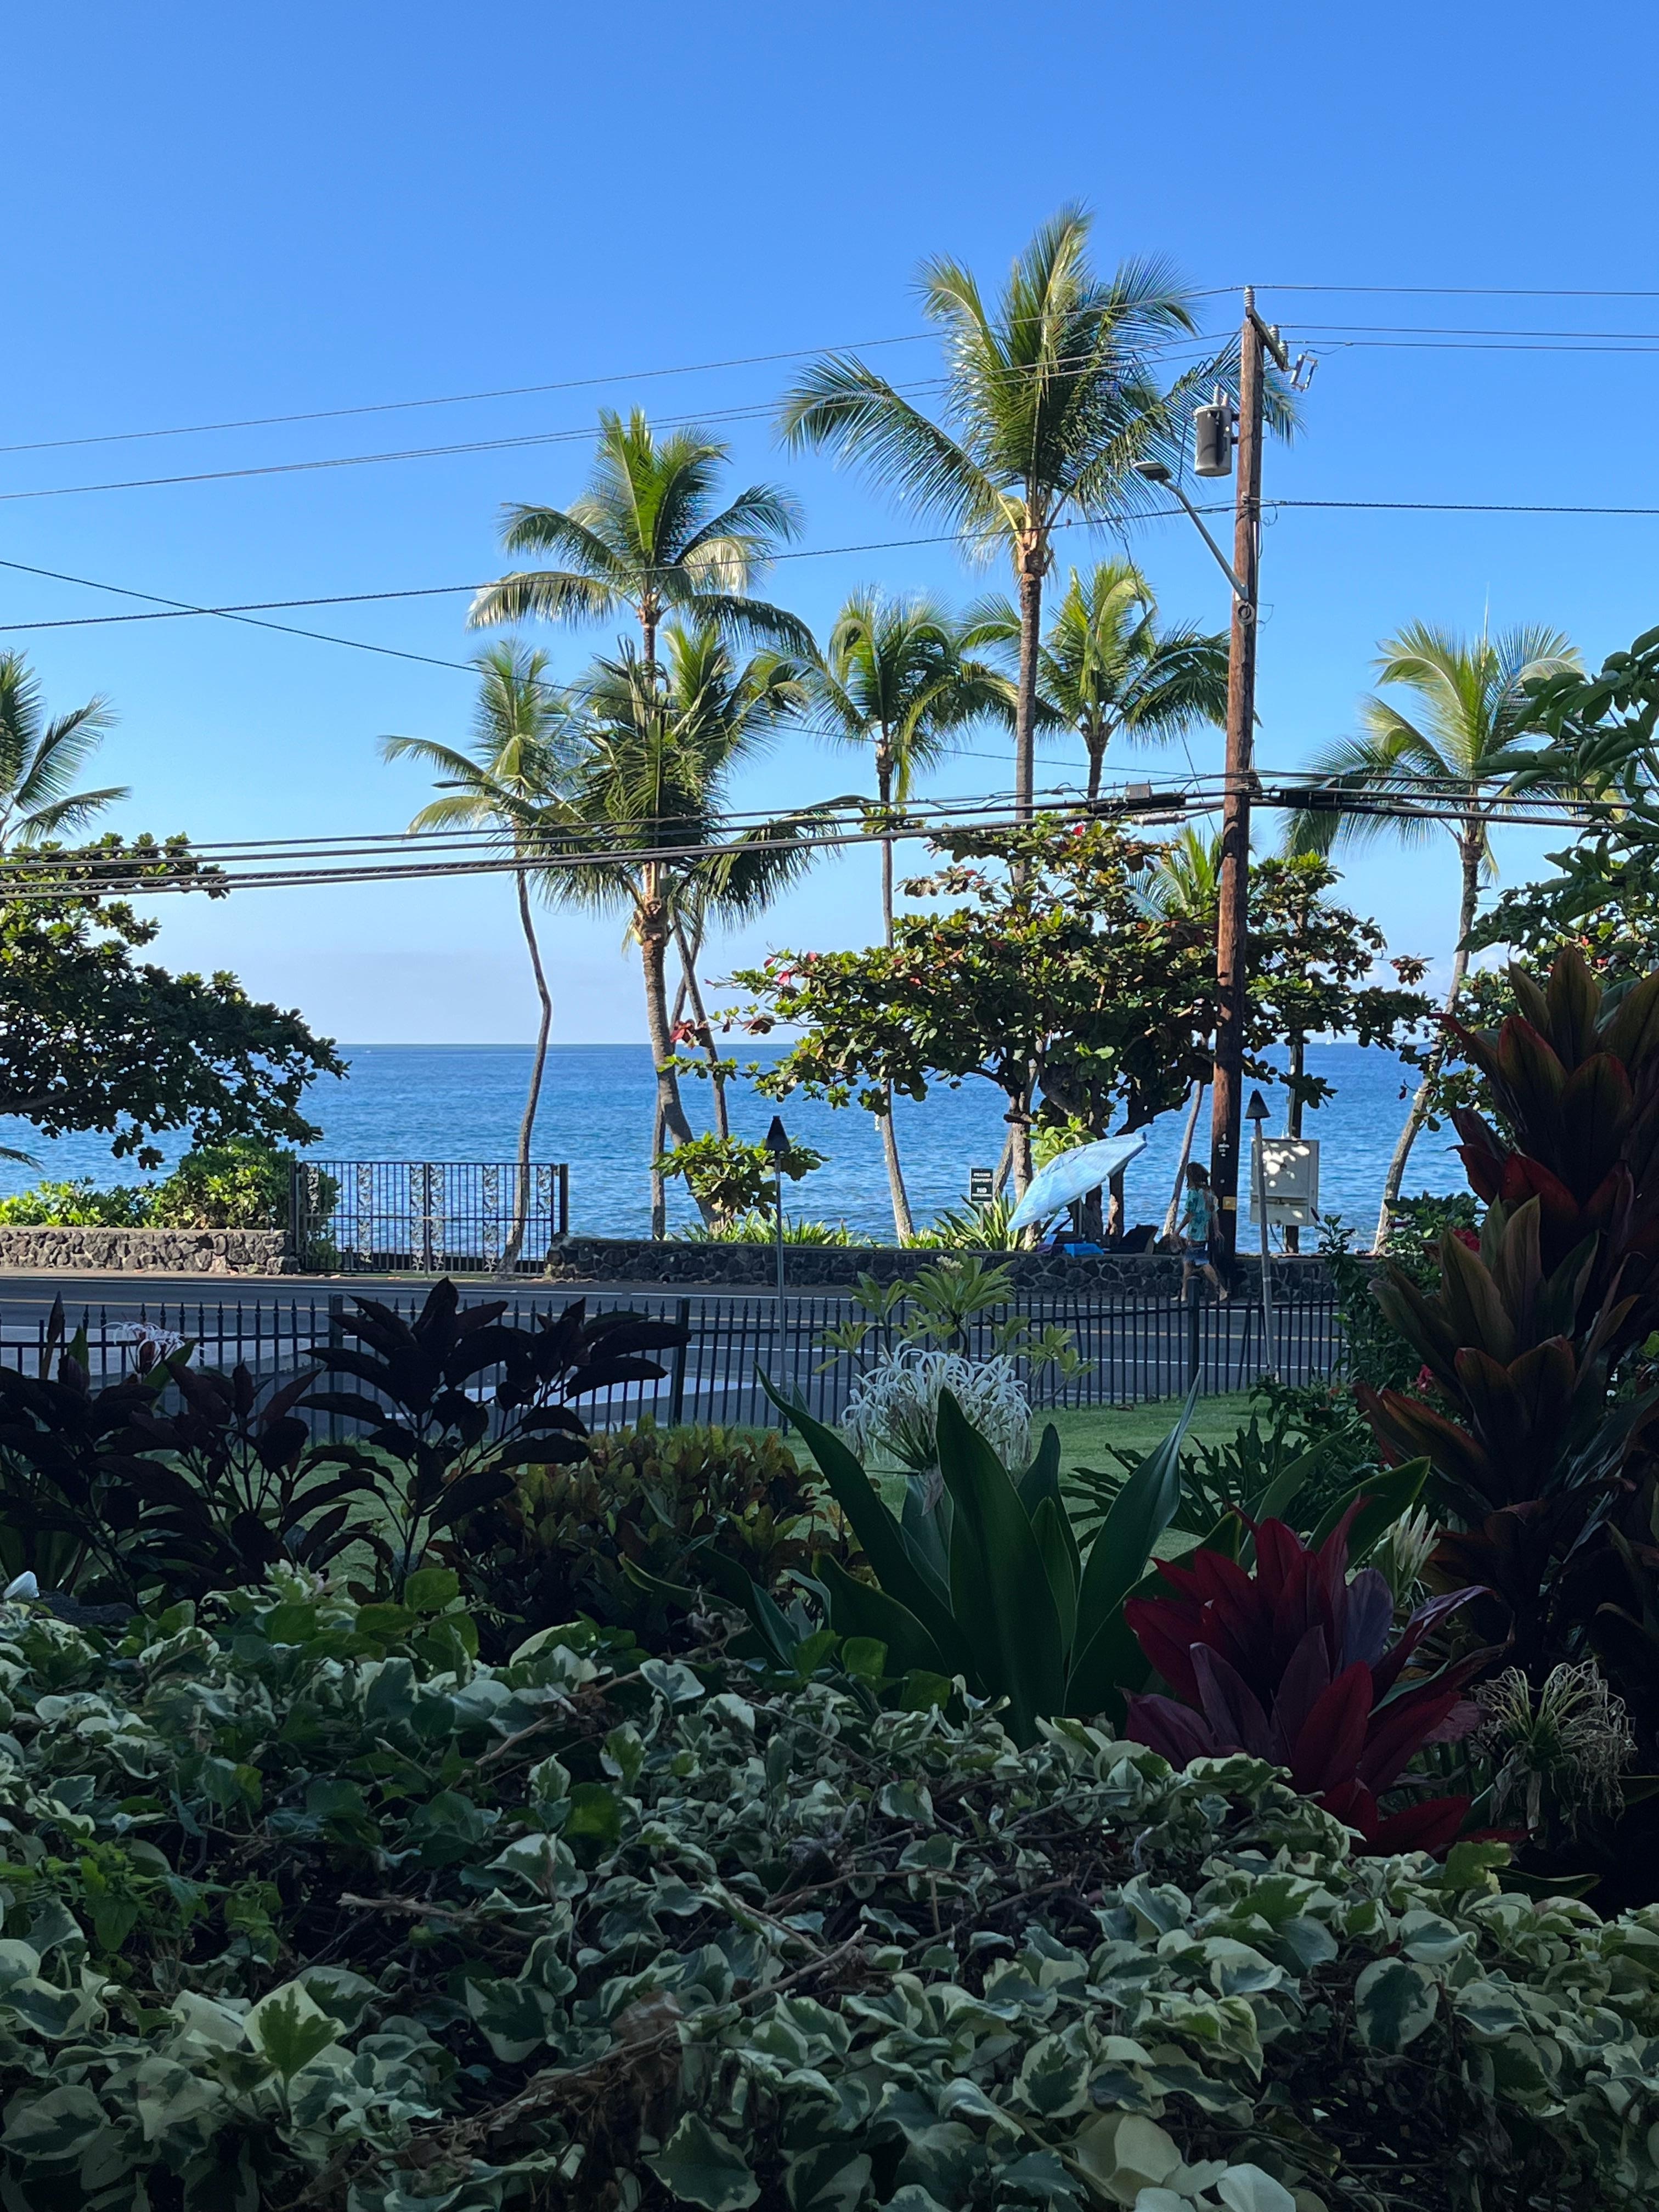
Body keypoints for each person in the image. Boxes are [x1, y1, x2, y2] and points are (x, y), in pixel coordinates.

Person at [1178, 1162, 1227, 1301]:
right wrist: (1217, 1231)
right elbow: (1214, 1214)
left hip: (1195, 1232)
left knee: (1202, 1263)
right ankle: (1184, 1293)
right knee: (1188, 1262)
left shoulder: (1193, 1193)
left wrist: (1178, 1230)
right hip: (1204, 1232)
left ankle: (1221, 1290)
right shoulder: (1210, 1193)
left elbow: (1190, 1215)